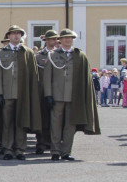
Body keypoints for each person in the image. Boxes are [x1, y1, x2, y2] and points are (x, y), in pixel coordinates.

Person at [41, 29, 100, 160]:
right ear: (60, 40)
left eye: (70, 38)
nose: (68, 40)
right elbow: (47, 77)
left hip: (73, 95)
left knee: (70, 125)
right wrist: (48, 95)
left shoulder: (79, 55)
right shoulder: (52, 55)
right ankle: (55, 151)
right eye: (65, 38)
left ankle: (66, 151)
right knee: (55, 124)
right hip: (57, 95)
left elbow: (86, 77)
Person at [0, 25, 41, 160]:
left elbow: (33, 74)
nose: (16, 36)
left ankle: (20, 149)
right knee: (7, 122)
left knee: (21, 121)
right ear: (8, 36)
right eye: (13, 34)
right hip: (7, 93)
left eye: (18, 34)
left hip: (22, 93)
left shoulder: (28, 53)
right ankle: (7, 148)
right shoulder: (0, 53)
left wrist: (31, 92)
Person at [34, 30, 59, 154]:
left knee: (55, 119)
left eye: (56, 39)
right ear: (47, 41)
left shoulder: (60, 55)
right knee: (42, 119)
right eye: (52, 39)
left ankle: (54, 143)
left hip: (57, 91)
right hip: (41, 90)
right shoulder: (39, 56)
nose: (55, 41)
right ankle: (41, 143)